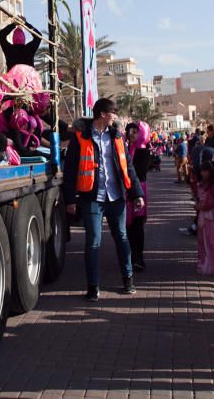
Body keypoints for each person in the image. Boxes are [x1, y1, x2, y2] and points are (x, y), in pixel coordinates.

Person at [63, 98, 145, 301]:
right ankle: (93, 287)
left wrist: (137, 194)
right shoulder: (81, 137)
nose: (116, 116)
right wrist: (70, 199)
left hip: (116, 198)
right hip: (92, 198)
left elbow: (129, 167)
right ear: (103, 114)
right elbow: (70, 169)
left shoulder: (117, 137)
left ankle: (128, 279)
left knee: (122, 238)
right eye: (113, 112)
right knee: (93, 243)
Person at [125, 121, 152, 272]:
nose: (131, 134)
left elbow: (138, 173)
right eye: (130, 131)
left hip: (138, 191)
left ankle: (138, 257)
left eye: (135, 131)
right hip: (127, 192)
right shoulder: (128, 148)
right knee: (128, 226)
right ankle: (130, 255)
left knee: (137, 226)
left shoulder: (143, 151)